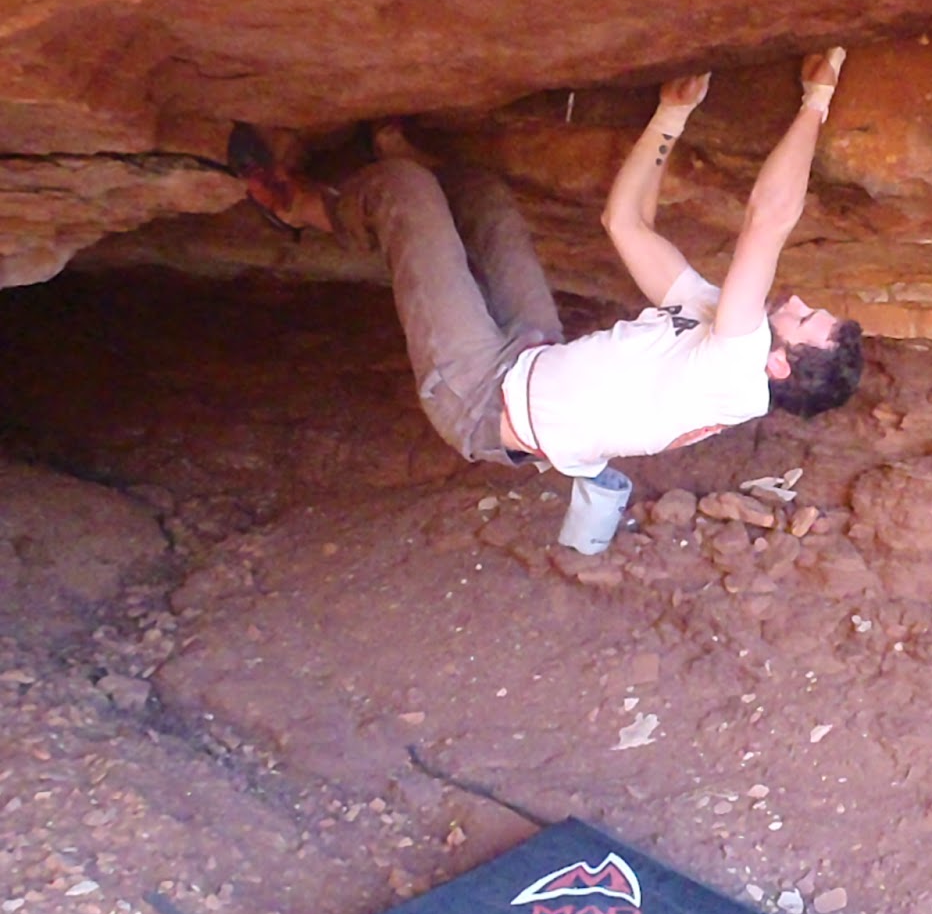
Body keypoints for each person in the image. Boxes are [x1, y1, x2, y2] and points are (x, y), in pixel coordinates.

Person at [229, 49, 864, 552]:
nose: (797, 300)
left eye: (806, 319)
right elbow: (626, 224)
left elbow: (767, 220)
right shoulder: (720, 327)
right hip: (531, 352)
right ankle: (414, 166)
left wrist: (817, 99)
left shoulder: (736, 369)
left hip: (478, 397)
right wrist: (671, 116)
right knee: (484, 200)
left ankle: (303, 207)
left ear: (780, 364)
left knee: (404, 193)